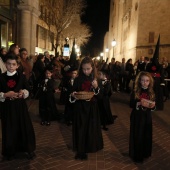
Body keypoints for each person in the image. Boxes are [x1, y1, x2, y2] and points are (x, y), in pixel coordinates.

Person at [0, 54, 36, 160]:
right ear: (5, 64)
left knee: (24, 127)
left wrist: (23, 92)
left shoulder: (21, 76)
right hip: (7, 107)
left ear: (17, 65)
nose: (11, 66)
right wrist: (5, 95)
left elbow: (28, 90)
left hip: (20, 107)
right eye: (9, 64)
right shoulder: (1, 77)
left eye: (13, 64)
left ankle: (28, 149)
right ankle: (9, 151)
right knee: (9, 128)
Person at [70, 57, 103, 160]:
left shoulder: (96, 79)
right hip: (80, 107)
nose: (86, 71)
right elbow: (73, 92)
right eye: (84, 69)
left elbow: (101, 97)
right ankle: (81, 150)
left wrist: (96, 87)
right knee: (81, 127)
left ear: (92, 68)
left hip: (92, 108)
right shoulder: (78, 79)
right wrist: (73, 95)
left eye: (88, 69)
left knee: (90, 128)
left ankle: (90, 146)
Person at [129, 71, 156, 163]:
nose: (145, 82)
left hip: (147, 117)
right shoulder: (136, 91)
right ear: (139, 81)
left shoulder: (151, 92)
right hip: (137, 117)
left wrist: (152, 106)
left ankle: (145, 152)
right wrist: (139, 103)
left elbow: (154, 105)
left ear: (150, 82)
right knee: (138, 135)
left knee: (146, 135)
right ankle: (137, 155)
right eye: (143, 80)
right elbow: (131, 104)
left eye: (147, 81)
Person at [97, 66, 117, 131]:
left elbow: (106, 92)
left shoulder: (107, 82)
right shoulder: (98, 81)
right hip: (99, 99)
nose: (98, 75)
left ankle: (104, 123)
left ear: (104, 75)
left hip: (104, 100)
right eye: (98, 74)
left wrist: (100, 88)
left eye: (100, 74)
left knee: (104, 111)